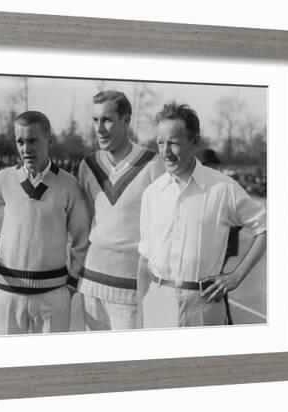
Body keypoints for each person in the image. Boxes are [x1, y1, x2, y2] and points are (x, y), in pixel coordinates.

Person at [137, 102, 267, 328]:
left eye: (174, 143)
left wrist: (236, 276)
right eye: (160, 143)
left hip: (203, 309)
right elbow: (145, 259)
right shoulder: (152, 194)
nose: (165, 152)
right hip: (156, 306)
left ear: (194, 142)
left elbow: (266, 226)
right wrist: (141, 314)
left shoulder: (223, 188)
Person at [0, 111, 90, 335]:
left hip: (53, 295)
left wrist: (72, 283)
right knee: (9, 366)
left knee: (51, 367)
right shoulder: (4, 179)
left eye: (33, 140)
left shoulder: (69, 185)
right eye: (20, 141)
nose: (26, 148)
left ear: (49, 141)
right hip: (6, 294)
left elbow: (82, 238)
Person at [77, 90, 165, 331]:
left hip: (131, 288)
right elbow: (82, 227)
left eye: (107, 120)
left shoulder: (153, 164)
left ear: (126, 119)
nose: (99, 128)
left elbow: (164, 232)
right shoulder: (88, 165)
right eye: (95, 120)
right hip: (91, 284)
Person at [197, 148, 242, 325]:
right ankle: (226, 322)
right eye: (210, 165)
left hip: (221, 247)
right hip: (207, 249)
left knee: (214, 285)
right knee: (214, 287)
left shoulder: (225, 186)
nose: (214, 168)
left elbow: (240, 218)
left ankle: (225, 323)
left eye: (215, 166)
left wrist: (226, 229)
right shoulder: (202, 187)